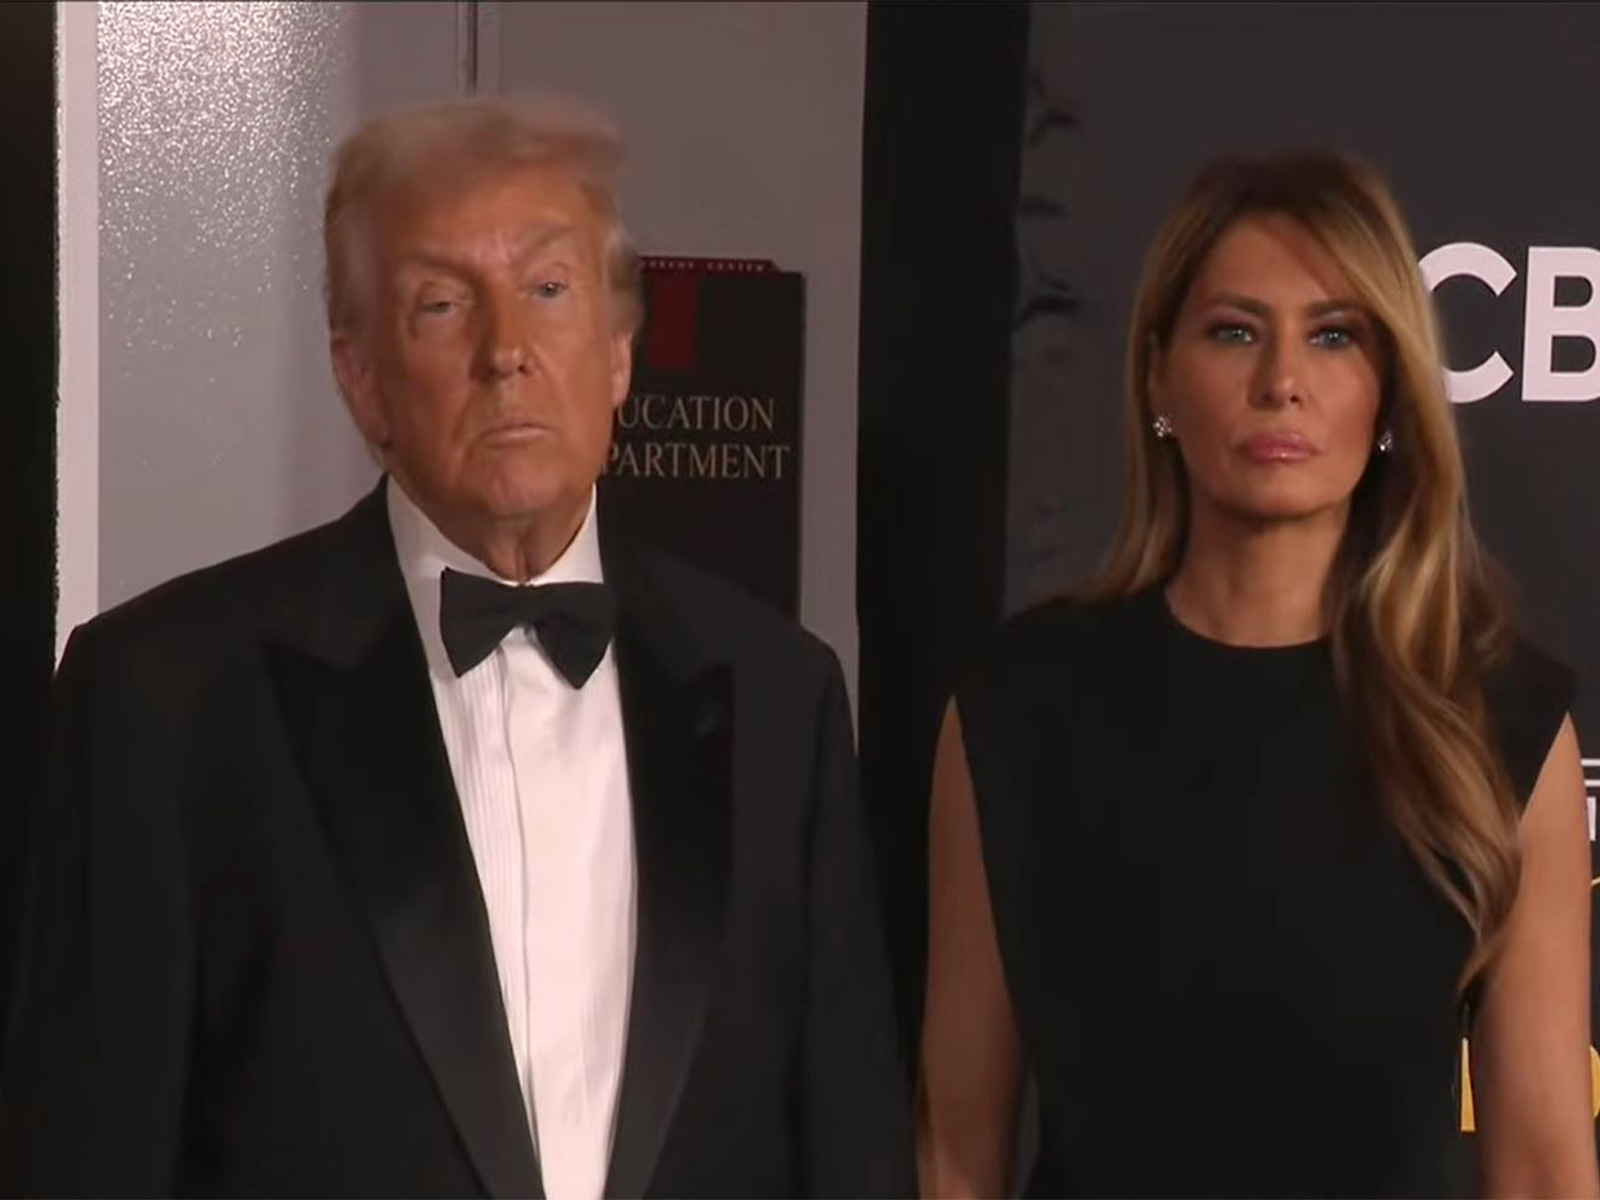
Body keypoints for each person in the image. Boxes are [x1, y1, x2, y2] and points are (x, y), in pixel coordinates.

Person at [1, 96, 913, 1199]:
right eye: (441, 305)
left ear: (620, 353)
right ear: (361, 378)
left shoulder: (783, 695)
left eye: (547, 289)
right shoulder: (163, 697)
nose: (506, 354)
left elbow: (850, 1153)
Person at [915, 151, 1599, 1198]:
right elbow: (954, 1147)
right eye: (1234, 331)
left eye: (1333, 337)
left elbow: (1546, 1165)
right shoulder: (1017, 712)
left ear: (1387, 393)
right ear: (1156, 376)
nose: (1281, 380)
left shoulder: (1495, 721)